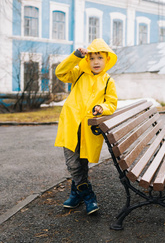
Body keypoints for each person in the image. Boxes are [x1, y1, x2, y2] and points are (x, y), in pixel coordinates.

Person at [54, 38, 118, 215]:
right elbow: (60, 72)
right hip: (70, 125)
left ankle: (76, 193)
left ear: (107, 60)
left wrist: (102, 108)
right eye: (92, 58)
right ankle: (89, 195)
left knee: (82, 163)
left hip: (87, 129)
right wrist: (75, 57)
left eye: (100, 58)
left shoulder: (107, 81)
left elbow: (111, 103)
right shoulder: (78, 73)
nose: (96, 62)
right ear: (86, 59)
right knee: (73, 164)